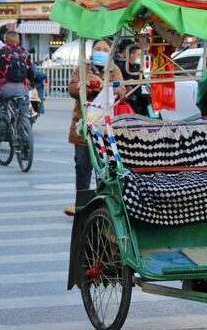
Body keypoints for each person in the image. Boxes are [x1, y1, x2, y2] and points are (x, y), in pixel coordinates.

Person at [64, 39, 127, 216]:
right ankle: (81, 204)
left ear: (110, 52)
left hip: (106, 128)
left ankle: (103, 202)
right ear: (92, 51)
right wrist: (85, 85)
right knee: (82, 166)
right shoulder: (82, 69)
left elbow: (121, 90)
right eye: (98, 48)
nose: (101, 51)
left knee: (105, 168)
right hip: (83, 125)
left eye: (105, 49)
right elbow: (72, 90)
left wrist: (101, 84)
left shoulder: (114, 70)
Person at [0, 32, 34, 135]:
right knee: (23, 111)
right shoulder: (24, 54)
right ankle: (24, 131)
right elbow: (31, 73)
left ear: (5, 41)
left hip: (4, 88)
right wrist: (31, 86)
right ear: (18, 41)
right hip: (22, 89)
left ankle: (0, 120)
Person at [114, 44, 150, 115]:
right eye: (139, 54)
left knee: (148, 99)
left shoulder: (137, 66)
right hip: (128, 95)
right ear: (131, 55)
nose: (141, 57)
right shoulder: (120, 66)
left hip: (139, 94)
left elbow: (143, 80)